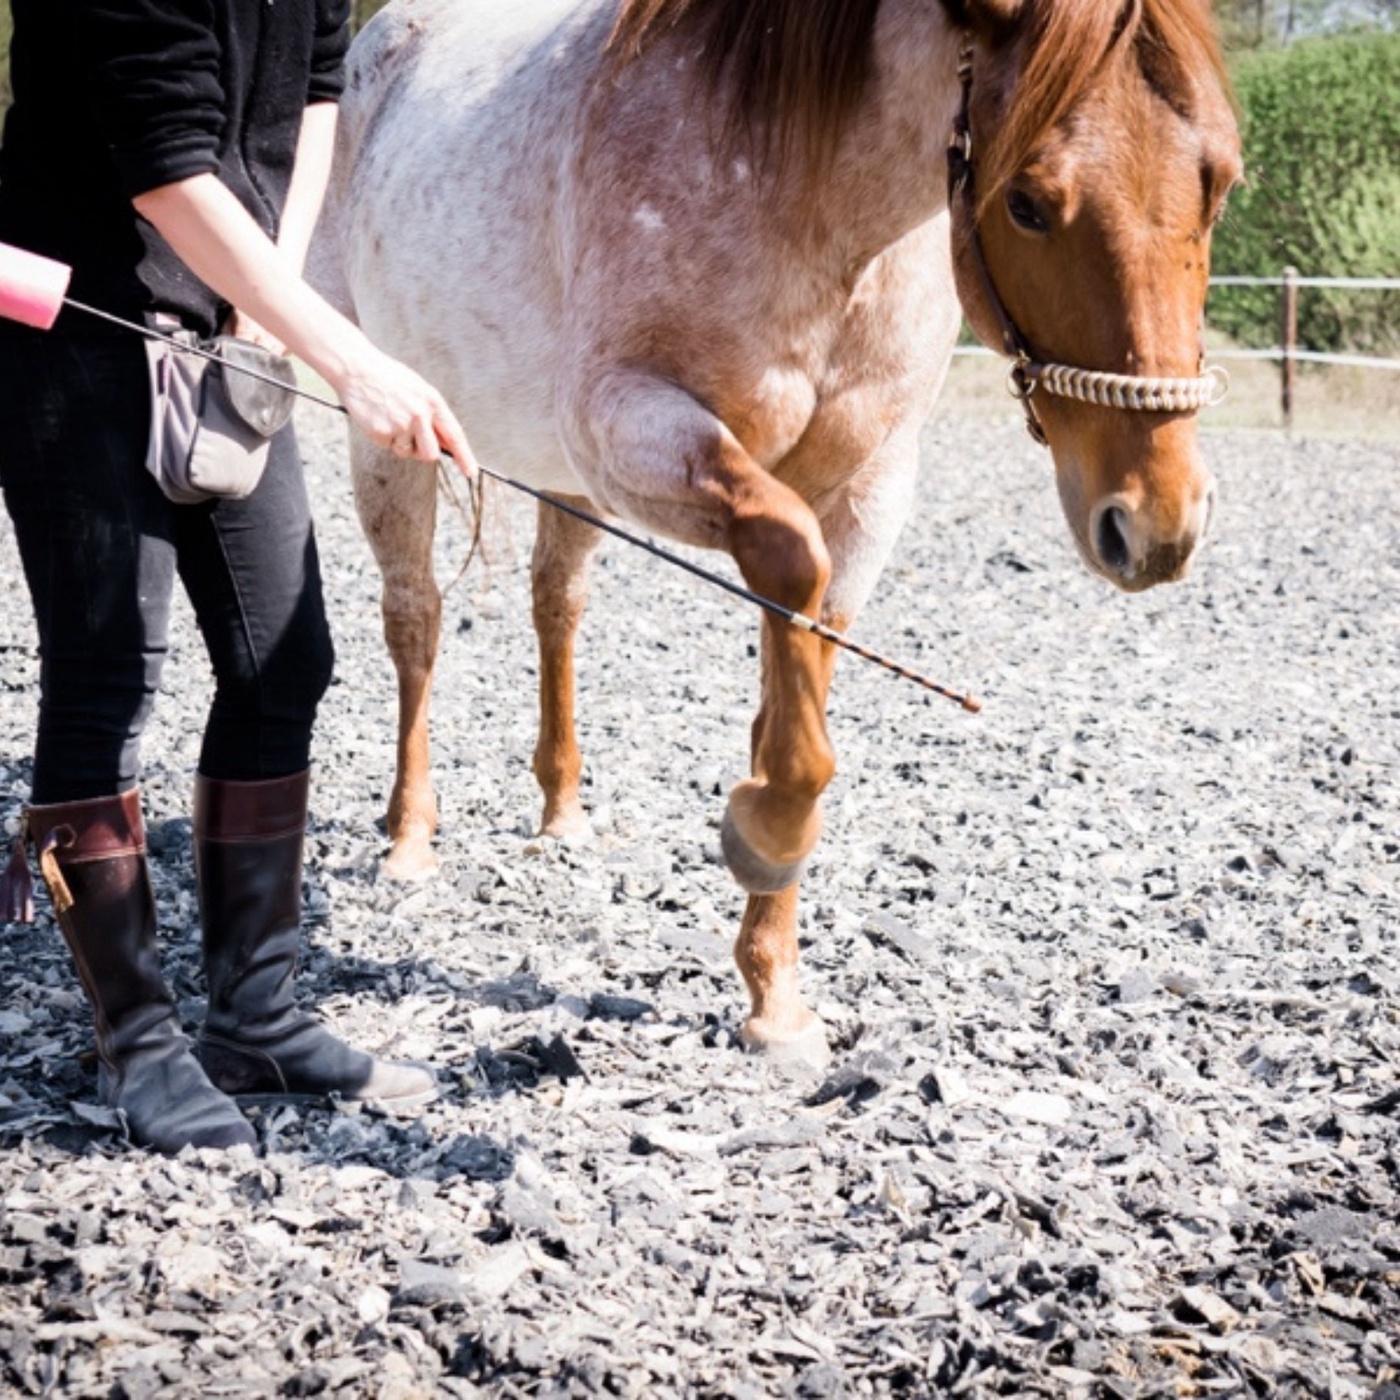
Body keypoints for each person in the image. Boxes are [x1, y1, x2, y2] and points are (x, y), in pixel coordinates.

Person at [0, 0, 474, 1153]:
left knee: (284, 656)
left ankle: (254, 1017)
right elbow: (166, 167)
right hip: (77, 321)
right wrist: (348, 356)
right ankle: (141, 1045)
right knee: (108, 668)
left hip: (225, 318)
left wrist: (263, 308)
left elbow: (316, 89)